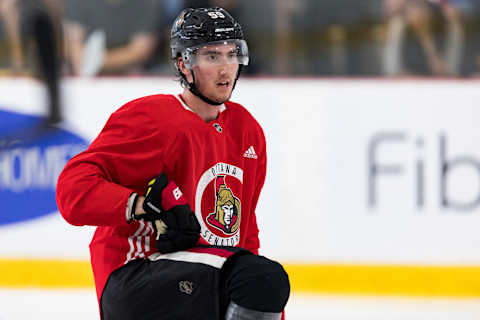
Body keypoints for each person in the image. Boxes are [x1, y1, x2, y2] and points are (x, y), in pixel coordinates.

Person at [56, 6, 290, 320]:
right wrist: (141, 204)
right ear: (184, 64)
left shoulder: (247, 132)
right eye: (211, 56)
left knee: (261, 278)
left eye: (232, 54)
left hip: (201, 277)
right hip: (136, 276)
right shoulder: (151, 118)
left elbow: (243, 234)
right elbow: (72, 191)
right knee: (259, 277)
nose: (226, 69)